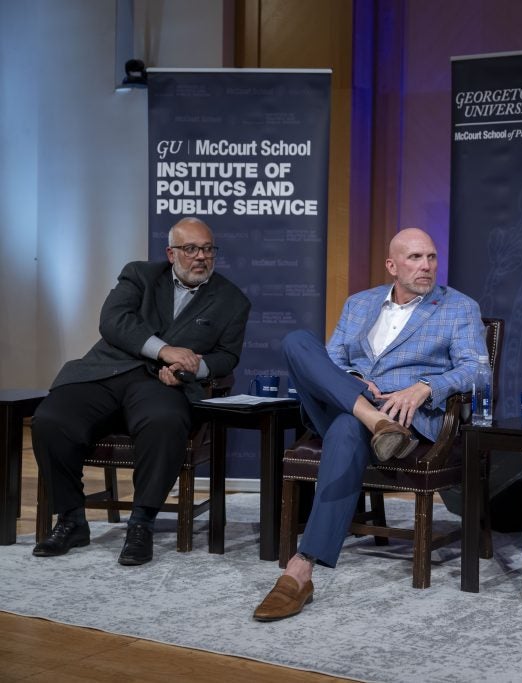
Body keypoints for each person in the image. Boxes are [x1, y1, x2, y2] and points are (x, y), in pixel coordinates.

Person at [252, 227, 486, 622]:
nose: (426, 266)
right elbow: (328, 361)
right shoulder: (359, 304)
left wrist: (427, 387)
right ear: (392, 265)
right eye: (414, 258)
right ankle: (369, 417)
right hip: (352, 405)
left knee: (346, 428)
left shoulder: (457, 307)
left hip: (403, 417)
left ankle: (300, 570)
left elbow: (478, 373)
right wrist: (351, 382)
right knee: (296, 341)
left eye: (430, 257)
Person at [32, 217, 251, 566]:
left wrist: (194, 368)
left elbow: (227, 356)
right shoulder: (139, 275)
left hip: (161, 385)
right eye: (191, 249)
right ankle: (72, 519)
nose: (201, 257)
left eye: (208, 249)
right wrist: (165, 350)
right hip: (106, 373)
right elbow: (113, 321)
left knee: (164, 421)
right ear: (171, 253)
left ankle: (141, 523)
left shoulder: (232, 300)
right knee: (50, 419)